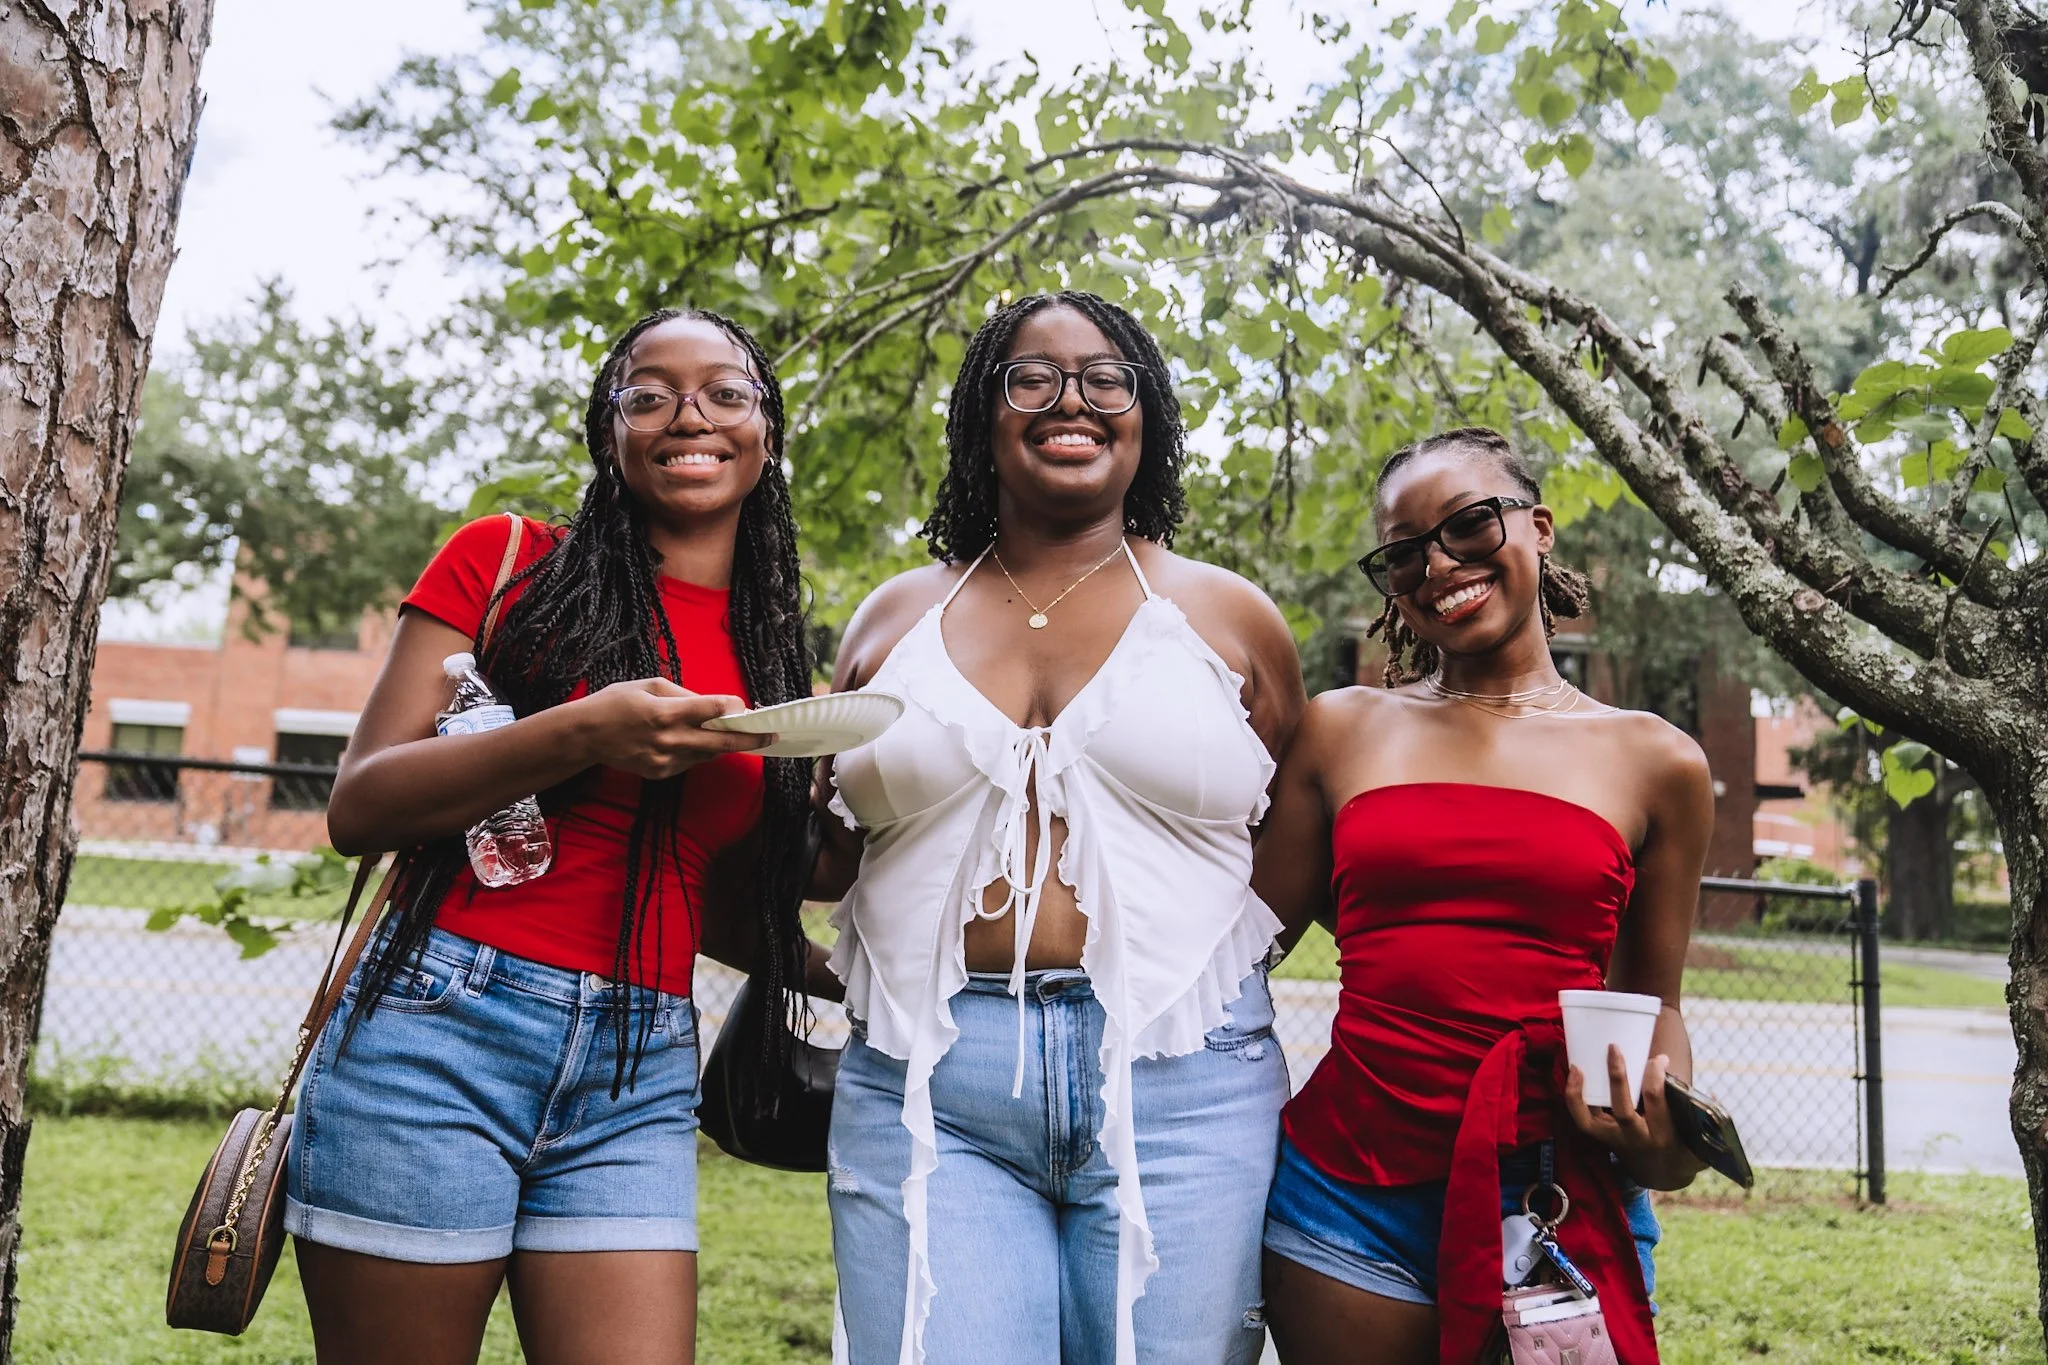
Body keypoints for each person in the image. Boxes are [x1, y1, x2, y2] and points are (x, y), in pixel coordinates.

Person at [294, 308, 835, 1365]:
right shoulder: (504, 560)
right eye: (649, 393)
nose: (691, 415)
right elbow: (360, 806)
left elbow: (702, 889)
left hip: (638, 1065)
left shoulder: (774, 656)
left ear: (764, 431)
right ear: (608, 429)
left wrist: (846, 970)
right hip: (438, 1029)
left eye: (727, 392)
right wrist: (584, 731)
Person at [812, 290, 1307, 1365]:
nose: (1067, 401)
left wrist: (1208, 980)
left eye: (1103, 380)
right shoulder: (894, 619)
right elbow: (823, 853)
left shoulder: (1227, 617)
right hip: (930, 1080)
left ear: (1147, 416)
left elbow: (1290, 842)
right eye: (1030, 377)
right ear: (982, 416)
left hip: (1184, 1076)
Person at [1253, 426, 1709, 1365]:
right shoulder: (1342, 728)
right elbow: (1233, 945)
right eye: (1405, 551)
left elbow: (1652, 1007)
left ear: (1537, 528)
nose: (1439, 564)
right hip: (1349, 1200)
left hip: (1557, 1204)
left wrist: (1666, 1145)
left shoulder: (1658, 760)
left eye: (1468, 525)